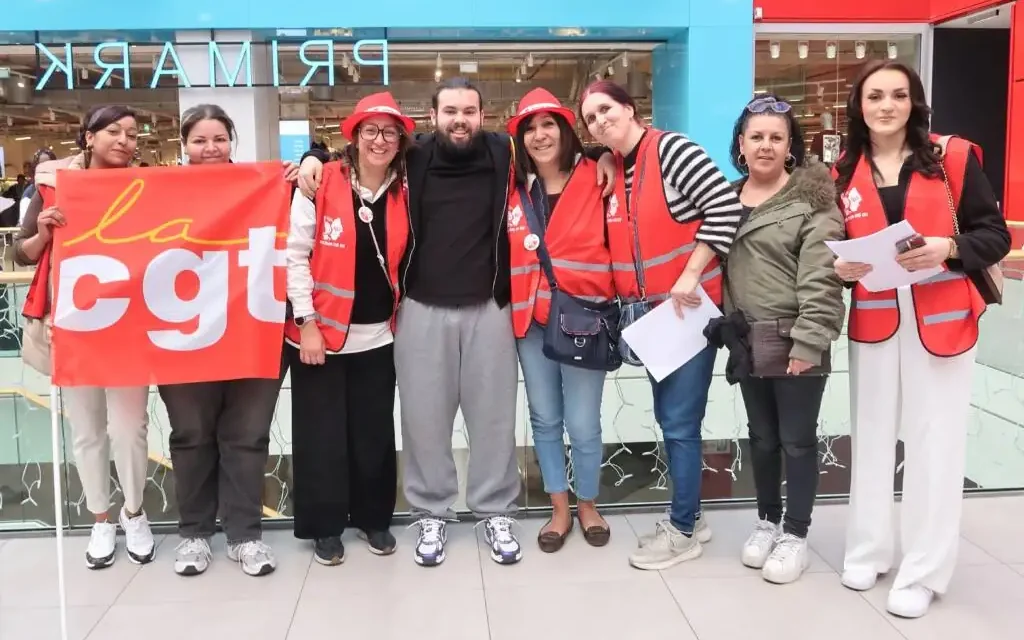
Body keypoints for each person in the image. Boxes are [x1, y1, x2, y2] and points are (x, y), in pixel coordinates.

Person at [297, 77, 617, 567]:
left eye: (469, 110)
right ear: (431, 117)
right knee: (424, 418)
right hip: (421, 309)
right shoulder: (413, 158)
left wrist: (606, 160)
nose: (460, 120)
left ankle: (495, 510)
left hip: (490, 308)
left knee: (493, 418)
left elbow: (563, 157)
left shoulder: (502, 154)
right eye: (450, 111)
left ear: (483, 117)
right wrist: (311, 155)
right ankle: (431, 510)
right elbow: (355, 151)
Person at [833, 60, 1010, 618]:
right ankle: (869, 548)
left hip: (943, 316)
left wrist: (948, 248)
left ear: (915, 102)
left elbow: (994, 235)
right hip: (877, 315)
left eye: (898, 95)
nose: (886, 106)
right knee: (872, 435)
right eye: (875, 96)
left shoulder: (951, 157)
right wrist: (841, 269)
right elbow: (838, 241)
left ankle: (925, 570)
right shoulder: (844, 168)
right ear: (859, 105)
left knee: (935, 442)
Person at [579, 80, 743, 571]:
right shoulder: (619, 167)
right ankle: (691, 514)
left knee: (678, 421)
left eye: (606, 109)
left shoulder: (672, 150)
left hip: (685, 312)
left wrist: (690, 274)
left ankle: (683, 531)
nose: (600, 120)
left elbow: (724, 206)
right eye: (590, 117)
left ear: (630, 109)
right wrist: (607, 157)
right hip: (652, 318)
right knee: (673, 418)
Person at [159, 104, 297, 577]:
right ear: (184, 145)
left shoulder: (259, 187)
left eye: (219, 139)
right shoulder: (161, 192)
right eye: (200, 140)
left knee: (247, 435)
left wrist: (307, 167)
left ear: (232, 142)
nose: (210, 148)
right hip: (183, 336)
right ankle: (194, 534)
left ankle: (244, 536)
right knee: (192, 434)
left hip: (250, 329)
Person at [16, 105, 155, 569]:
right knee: (88, 430)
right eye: (113, 131)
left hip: (130, 325)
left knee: (130, 428)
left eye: (132, 134)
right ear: (88, 138)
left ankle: (134, 512)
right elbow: (22, 252)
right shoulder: (54, 185)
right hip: (71, 327)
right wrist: (43, 233)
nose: (124, 140)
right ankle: (101, 518)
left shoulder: (149, 185)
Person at [284, 92, 413, 566]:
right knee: (322, 436)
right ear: (354, 136)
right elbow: (295, 255)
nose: (380, 140)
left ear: (400, 141)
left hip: (380, 335)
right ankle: (324, 527)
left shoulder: (405, 188)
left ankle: (374, 518)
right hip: (320, 336)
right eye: (371, 131)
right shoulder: (320, 182)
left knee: (373, 434)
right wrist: (308, 322)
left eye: (389, 132)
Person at [722, 94, 845, 584]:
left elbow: (822, 278)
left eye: (776, 137)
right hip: (747, 338)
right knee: (763, 438)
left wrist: (809, 343)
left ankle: (796, 533)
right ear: (741, 143)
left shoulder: (813, 202)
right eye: (757, 137)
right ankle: (767, 520)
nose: (766, 146)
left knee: (796, 440)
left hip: (793, 336)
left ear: (791, 145)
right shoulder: (726, 197)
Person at [506, 89, 616, 552]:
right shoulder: (512, 186)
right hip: (530, 320)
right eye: (529, 128)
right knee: (545, 418)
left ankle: (587, 501)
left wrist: (607, 153)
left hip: (583, 318)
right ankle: (558, 507)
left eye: (548, 124)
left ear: (566, 130)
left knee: (583, 420)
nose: (539, 135)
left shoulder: (599, 176)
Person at [19, 149, 57, 226]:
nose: (46, 169)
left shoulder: (60, 187)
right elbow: (25, 224)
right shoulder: (29, 194)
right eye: (42, 165)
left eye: (50, 164)